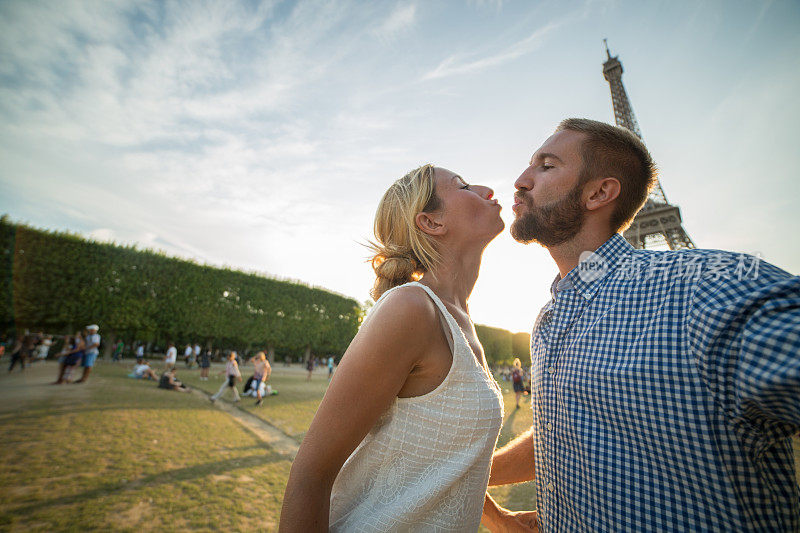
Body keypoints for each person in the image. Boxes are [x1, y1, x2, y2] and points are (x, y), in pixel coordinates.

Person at [483, 118, 800, 532]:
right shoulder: (548, 319)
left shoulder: (708, 287)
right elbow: (562, 428)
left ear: (599, 192)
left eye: (546, 166)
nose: (521, 180)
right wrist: (469, 474)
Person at [280, 164, 505, 532]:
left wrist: (500, 519)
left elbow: (448, 458)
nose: (486, 189)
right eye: (463, 186)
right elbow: (311, 472)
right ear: (431, 222)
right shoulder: (412, 309)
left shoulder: (458, 318)